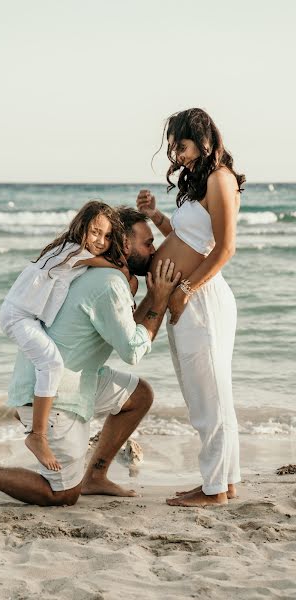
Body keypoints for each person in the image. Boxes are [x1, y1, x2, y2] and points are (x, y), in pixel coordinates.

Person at [0, 208, 180, 509]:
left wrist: (149, 295)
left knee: (139, 394)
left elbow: (123, 329)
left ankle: (95, 477)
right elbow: (132, 350)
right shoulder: (108, 282)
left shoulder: (103, 275)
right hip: (55, 396)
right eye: (148, 243)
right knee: (62, 495)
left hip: (76, 381)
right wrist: (158, 299)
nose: (154, 250)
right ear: (126, 244)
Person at [137, 107, 245, 507]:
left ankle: (214, 489)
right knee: (207, 395)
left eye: (180, 146)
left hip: (201, 298)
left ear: (202, 139)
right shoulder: (201, 180)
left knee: (209, 396)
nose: (176, 155)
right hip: (188, 297)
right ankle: (224, 482)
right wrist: (156, 217)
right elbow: (186, 237)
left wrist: (183, 288)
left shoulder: (220, 178)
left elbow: (224, 248)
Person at [0, 201, 133, 471]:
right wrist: (121, 269)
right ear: (81, 227)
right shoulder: (73, 250)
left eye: (107, 236)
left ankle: (25, 410)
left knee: (45, 362)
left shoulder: (70, 251)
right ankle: (37, 435)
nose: (100, 241)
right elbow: (101, 263)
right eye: (95, 232)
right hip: (18, 317)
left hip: (28, 317)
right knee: (52, 364)